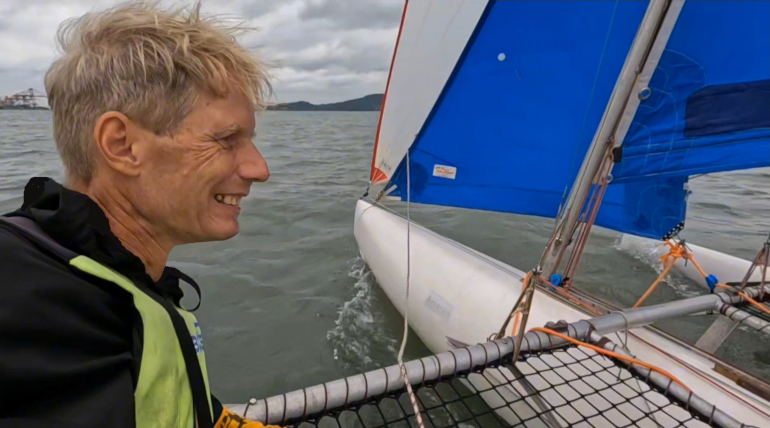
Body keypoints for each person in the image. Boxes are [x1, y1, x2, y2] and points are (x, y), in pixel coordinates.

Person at [0, 2, 278, 427]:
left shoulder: (109, 279)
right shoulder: (41, 320)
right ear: (121, 146)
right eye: (226, 139)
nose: (260, 169)